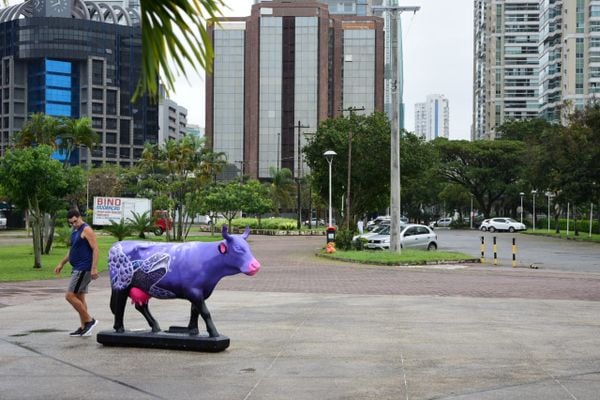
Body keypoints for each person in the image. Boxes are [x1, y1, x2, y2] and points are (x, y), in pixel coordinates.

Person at [54, 209, 99, 337]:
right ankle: (84, 327)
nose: (74, 224)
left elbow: (95, 249)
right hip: (77, 268)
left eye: (75, 221)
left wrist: (94, 268)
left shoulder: (87, 230)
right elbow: (72, 250)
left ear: (79, 217)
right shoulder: (75, 231)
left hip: (83, 268)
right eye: (71, 223)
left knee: (69, 296)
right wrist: (61, 264)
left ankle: (89, 321)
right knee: (79, 298)